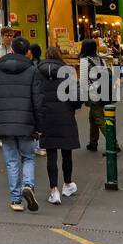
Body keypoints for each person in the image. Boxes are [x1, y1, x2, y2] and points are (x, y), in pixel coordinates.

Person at [0, 36, 39, 211]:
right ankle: (28, 185)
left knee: (11, 161)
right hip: (26, 121)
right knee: (28, 157)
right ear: (28, 52)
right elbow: (37, 99)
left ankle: (16, 200)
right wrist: (38, 125)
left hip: (4, 121)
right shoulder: (32, 70)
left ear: (11, 50)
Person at [32, 46, 81, 205]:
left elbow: (35, 95)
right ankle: (67, 184)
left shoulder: (37, 71)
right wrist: (73, 107)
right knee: (67, 153)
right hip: (65, 115)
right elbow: (76, 96)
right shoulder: (67, 71)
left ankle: (54, 190)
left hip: (46, 116)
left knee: (51, 154)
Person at [79, 39, 118, 153]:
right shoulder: (100, 59)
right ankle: (93, 143)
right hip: (103, 90)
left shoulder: (84, 61)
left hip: (93, 92)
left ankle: (113, 143)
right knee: (93, 118)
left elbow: (83, 81)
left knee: (99, 119)